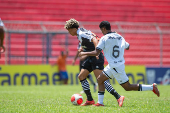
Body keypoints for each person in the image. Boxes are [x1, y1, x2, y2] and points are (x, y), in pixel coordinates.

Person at [79, 21, 160, 106]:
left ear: (103, 28)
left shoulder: (104, 38)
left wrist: (84, 53)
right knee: (100, 79)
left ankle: (152, 87)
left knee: (127, 87)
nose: (102, 32)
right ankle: (100, 103)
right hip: (114, 65)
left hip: (115, 66)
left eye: (101, 30)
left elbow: (96, 52)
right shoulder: (120, 37)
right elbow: (128, 47)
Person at [65, 19, 124, 107]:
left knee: (101, 80)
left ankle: (118, 97)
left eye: (69, 30)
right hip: (90, 57)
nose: (69, 32)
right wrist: (83, 48)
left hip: (96, 57)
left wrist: (97, 51)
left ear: (74, 28)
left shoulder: (81, 33)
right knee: (81, 76)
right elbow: (89, 41)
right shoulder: (80, 33)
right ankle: (89, 100)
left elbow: (94, 39)